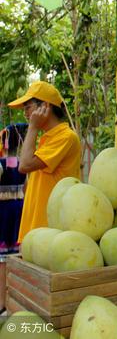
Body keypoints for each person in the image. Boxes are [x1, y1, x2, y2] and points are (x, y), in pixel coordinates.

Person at [8, 81, 81, 242]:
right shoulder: (48, 138)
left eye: (28, 107)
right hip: (36, 227)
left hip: (49, 231)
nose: (26, 114)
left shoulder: (65, 137)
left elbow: (24, 165)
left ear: (45, 107)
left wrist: (33, 127)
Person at [0, 123, 28, 313]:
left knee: (2, 260)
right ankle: (18, 302)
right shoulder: (25, 164)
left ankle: (2, 302)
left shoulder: (2, 164)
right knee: (18, 257)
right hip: (20, 210)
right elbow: (27, 188)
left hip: (2, 212)